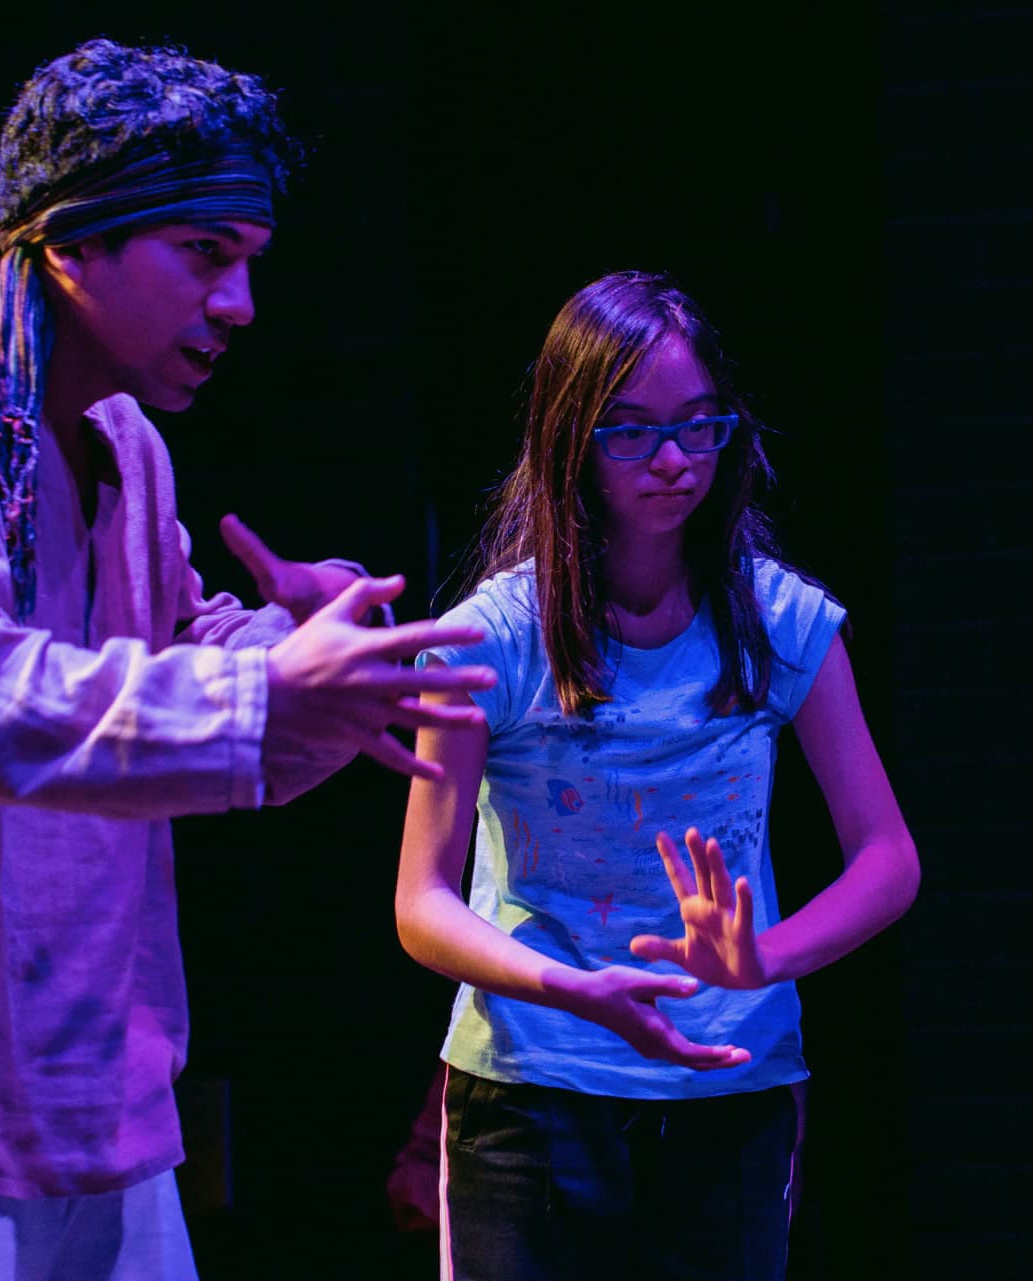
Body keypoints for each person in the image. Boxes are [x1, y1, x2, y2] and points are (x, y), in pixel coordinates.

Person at [0, 37, 494, 1281]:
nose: (239, 305)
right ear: (72, 237)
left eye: (250, 261)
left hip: (85, 1085)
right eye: (205, 254)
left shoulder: (122, 438)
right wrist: (264, 688)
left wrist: (311, 654)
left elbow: (167, 661)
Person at [395, 271, 921, 1279]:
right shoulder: (488, 640)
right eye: (631, 432)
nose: (674, 460)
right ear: (571, 439)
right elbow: (420, 901)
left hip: (729, 1089)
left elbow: (888, 859)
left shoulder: (781, 621)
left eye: (698, 426)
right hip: (532, 1091)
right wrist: (573, 987)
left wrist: (761, 959)